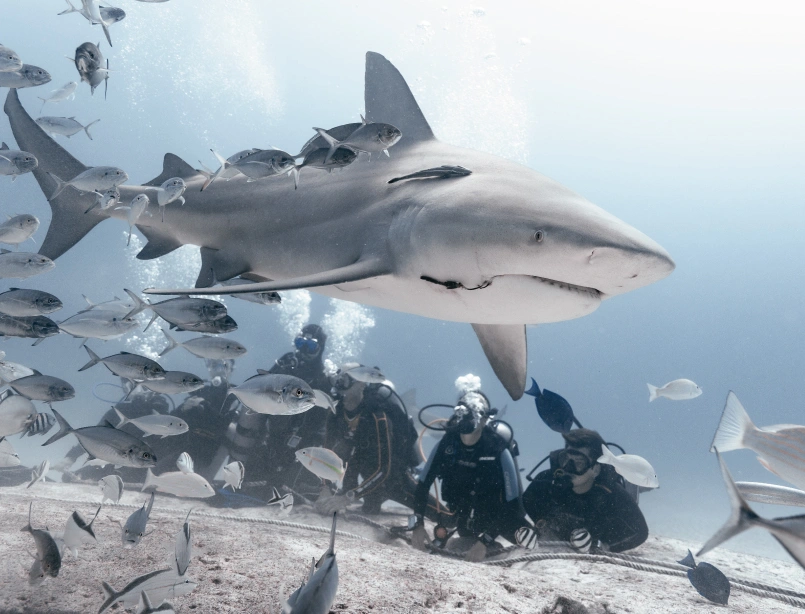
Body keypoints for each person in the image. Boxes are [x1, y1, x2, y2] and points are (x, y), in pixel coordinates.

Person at [213, 324, 331, 498]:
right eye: (300, 343)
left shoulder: (323, 379)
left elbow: (320, 425)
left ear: (320, 348)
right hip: (271, 433)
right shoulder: (286, 362)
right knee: (248, 412)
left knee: (285, 487)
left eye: (311, 346)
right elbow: (264, 386)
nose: (303, 350)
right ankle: (234, 473)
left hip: (301, 442)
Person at [410, 387, 527, 562]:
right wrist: (417, 524)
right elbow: (423, 484)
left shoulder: (496, 447)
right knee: (465, 532)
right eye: (463, 412)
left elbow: (514, 505)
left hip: (499, 515)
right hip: (464, 513)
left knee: (526, 537)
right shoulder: (448, 443)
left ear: (485, 418)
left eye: (475, 412)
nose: (467, 418)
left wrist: (485, 541)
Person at [315, 363, 442, 520]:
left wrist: (347, 497)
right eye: (338, 379)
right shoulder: (336, 412)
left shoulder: (377, 415)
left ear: (361, 384)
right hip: (365, 473)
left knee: (445, 518)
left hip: (393, 477)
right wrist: (325, 487)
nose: (340, 385)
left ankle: (412, 478)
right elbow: (327, 452)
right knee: (370, 509)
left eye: (346, 380)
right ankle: (373, 497)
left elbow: (385, 468)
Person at [521, 428, 649, 553]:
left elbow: (640, 533)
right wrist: (542, 523)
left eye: (579, 462)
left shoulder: (610, 493)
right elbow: (528, 499)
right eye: (565, 460)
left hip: (603, 526)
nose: (568, 468)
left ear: (596, 469)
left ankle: (635, 485)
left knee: (630, 499)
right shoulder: (547, 481)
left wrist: (602, 545)